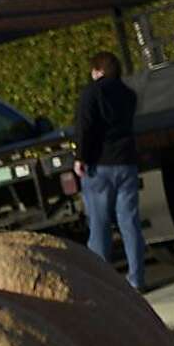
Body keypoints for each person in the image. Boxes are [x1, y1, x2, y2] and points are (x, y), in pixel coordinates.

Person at [74, 51, 147, 292]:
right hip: (126, 162)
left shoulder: (91, 93)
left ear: (97, 71)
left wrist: (80, 158)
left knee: (99, 225)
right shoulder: (129, 95)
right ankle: (137, 279)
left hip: (99, 166)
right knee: (129, 223)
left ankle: (103, 284)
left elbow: (85, 127)